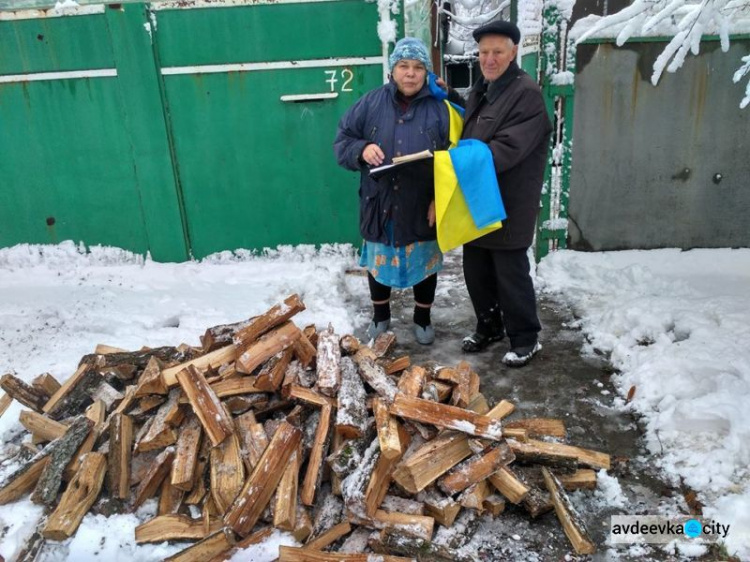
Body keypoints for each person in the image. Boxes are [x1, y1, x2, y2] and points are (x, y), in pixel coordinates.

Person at [334, 38, 451, 345]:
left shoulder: (441, 109)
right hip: (379, 200)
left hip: (422, 201)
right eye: (403, 66)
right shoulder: (370, 103)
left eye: (417, 67)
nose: (410, 74)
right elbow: (342, 141)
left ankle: (423, 319)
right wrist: (362, 149)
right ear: (392, 70)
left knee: (424, 264)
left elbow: (456, 156)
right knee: (378, 261)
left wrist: (440, 199)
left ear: (426, 73)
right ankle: (380, 316)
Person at [459, 20, 553, 367]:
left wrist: (458, 161)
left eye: (497, 52)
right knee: (476, 268)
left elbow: (507, 147)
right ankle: (489, 326)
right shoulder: (483, 88)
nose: (489, 58)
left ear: (513, 52)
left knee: (510, 273)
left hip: (508, 200)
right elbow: (475, 126)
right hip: (479, 197)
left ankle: (526, 337)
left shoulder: (525, 93)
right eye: (484, 52)